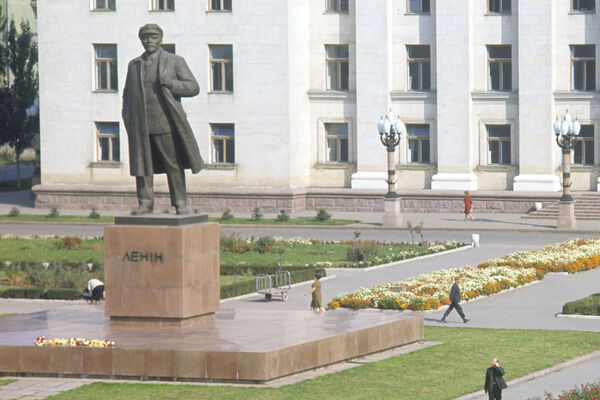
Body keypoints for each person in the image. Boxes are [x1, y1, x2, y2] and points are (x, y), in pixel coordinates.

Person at [122, 24, 205, 215]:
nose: (149, 41)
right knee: (142, 166)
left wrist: (172, 84)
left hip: (165, 122)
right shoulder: (134, 65)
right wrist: (126, 116)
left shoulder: (174, 61)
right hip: (140, 124)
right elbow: (127, 93)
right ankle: (145, 203)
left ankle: (180, 203)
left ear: (161, 39)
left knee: (173, 165)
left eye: (153, 37)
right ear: (141, 40)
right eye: (145, 37)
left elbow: (193, 87)